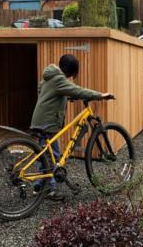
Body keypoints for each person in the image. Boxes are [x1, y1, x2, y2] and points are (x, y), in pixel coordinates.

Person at [30, 54, 113, 200]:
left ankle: (39, 184)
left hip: (40, 120)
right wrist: (100, 95)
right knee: (53, 156)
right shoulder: (59, 79)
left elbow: (46, 92)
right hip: (48, 122)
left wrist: (65, 96)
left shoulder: (49, 78)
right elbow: (77, 90)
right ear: (72, 70)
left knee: (45, 154)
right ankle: (50, 189)